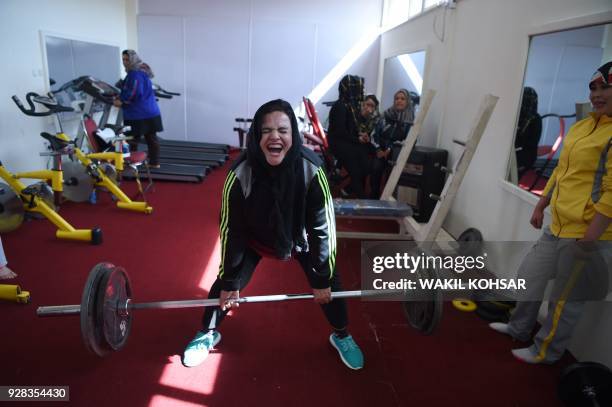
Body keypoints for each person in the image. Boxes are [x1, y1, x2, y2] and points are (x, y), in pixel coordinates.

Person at [182, 99, 364, 370]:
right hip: (255, 238)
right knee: (225, 285)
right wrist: (232, 280)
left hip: (300, 238)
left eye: (282, 130)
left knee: (331, 285)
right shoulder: (239, 174)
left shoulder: (312, 169)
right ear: (256, 136)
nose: (274, 136)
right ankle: (208, 331)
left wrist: (322, 278)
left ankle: (341, 334)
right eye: (266, 131)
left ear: (293, 135)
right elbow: (232, 230)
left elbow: (322, 228)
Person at [490, 61, 612, 364]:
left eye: (605, 88)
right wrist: (542, 204)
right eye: (594, 88)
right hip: (558, 224)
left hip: (587, 234)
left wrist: (589, 239)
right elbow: (561, 171)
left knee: (564, 300)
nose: (597, 94)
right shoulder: (584, 126)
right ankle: (519, 327)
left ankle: (545, 351)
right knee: (530, 275)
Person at [113, 49, 163, 168]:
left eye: (127, 59)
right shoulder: (142, 71)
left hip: (137, 113)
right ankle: (154, 162)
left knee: (132, 139)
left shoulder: (134, 74)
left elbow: (133, 92)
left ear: (133, 59)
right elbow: (134, 88)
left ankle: (131, 164)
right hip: (150, 111)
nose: (124, 62)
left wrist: (121, 101)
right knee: (151, 138)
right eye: (123, 59)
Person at [327, 75, 371, 198]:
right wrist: (357, 139)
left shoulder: (350, 105)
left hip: (345, 141)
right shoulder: (341, 106)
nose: (362, 91)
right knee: (356, 167)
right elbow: (340, 132)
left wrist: (361, 136)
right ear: (352, 89)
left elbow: (351, 128)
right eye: (360, 89)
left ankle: (351, 189)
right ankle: (361, 196)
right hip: (338, 143)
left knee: (365, 156)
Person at [369, 89, 415, 199]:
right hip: (380, 150)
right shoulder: (385, 115)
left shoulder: (410, 121)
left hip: (397, 153)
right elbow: (374, 134)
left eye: (402, 99)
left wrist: (390, 149)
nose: (399, 101)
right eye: (397, 98)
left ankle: (388, 201)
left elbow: (410, 141)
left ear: (407, 101)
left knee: (392, 175)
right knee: (376, 168)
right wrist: (378, 150)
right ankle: (373, 199)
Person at [515, 87, 543, 179]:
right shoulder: (514, 115)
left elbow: (531, 145)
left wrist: (523, 165)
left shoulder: (535, 119)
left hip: (523, 161)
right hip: (511, 156)